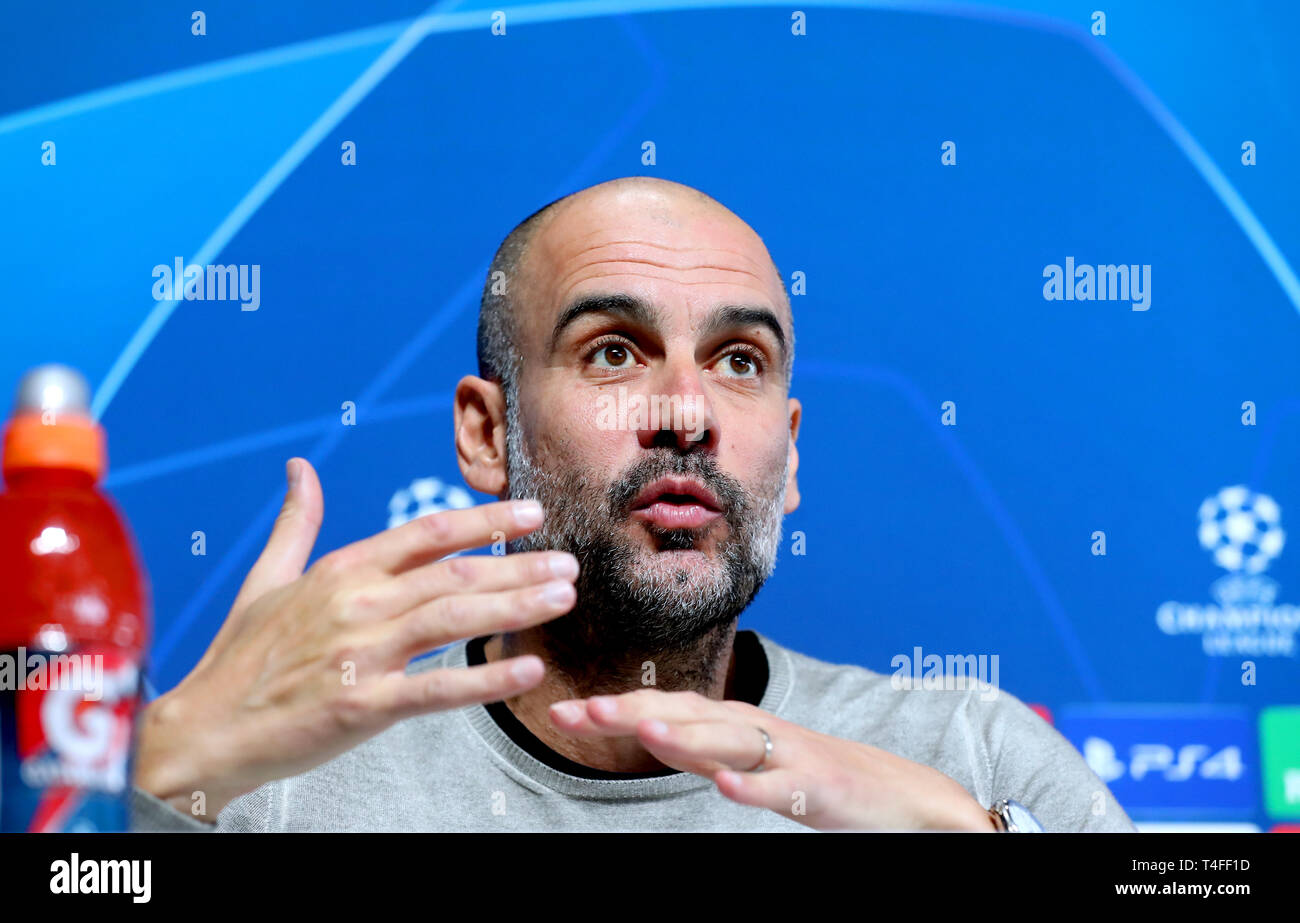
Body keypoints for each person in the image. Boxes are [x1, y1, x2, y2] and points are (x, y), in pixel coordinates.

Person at [130, 177, 1136, 832]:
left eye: (737, 361)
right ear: (487, 432)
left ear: (788, 453)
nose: (685, 412)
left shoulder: (968, 748)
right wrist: (162, 765)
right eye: (613, 349)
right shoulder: (280, 772)